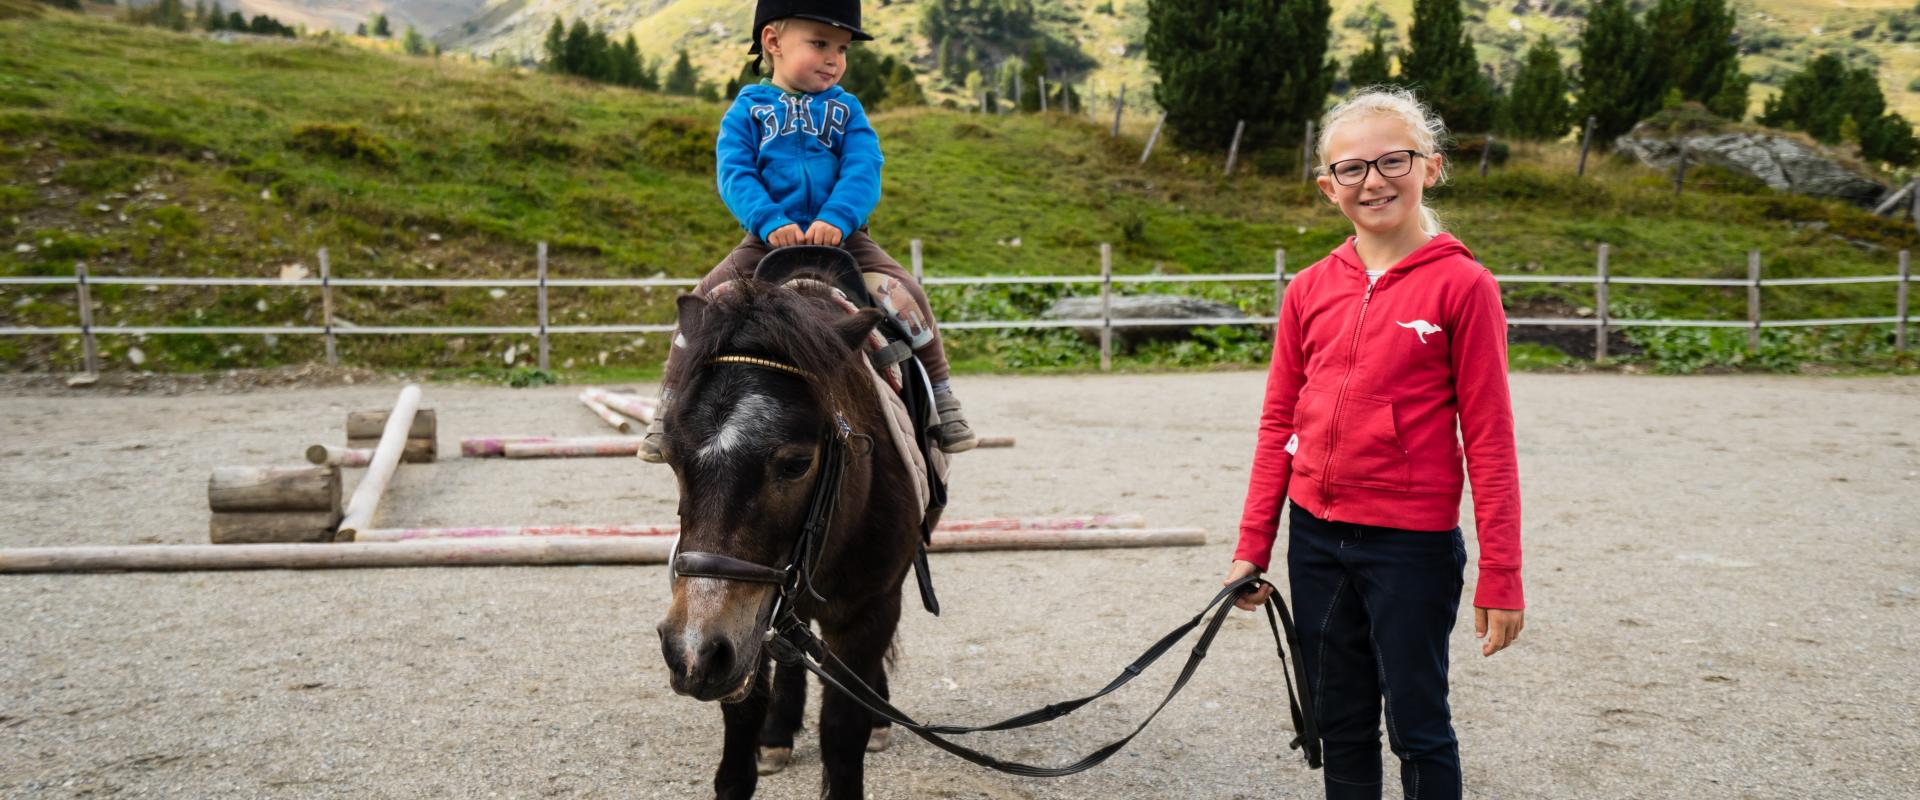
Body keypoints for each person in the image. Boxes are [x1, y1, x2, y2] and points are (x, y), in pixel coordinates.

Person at [1222, 87, 1526, 800]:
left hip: (1409, 547)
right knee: (1340, 723)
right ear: (1329, 188)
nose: (1373, 180)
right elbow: (1278, 426)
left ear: (1431, 168)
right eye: (1352, 169)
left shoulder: (1464, 287)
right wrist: (1252, 545)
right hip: (1317, 541)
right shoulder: (1308, 289)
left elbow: (1489, 438)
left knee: (1418, 728)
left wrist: (1502, 573)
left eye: (1393, 160)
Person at [640, 0, 975, 462]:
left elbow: (863, 168)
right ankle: (668, 410)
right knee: (701, 307)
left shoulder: (848, 109)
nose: (834, 58)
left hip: (846, 240)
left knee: (905, 293)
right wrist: (770, 220)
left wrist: (837, 218)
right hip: (766, 241)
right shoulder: (746, 112)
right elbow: (735, 174)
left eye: (841, 48)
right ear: (773, 43)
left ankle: (944, 399)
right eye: (819, 44)